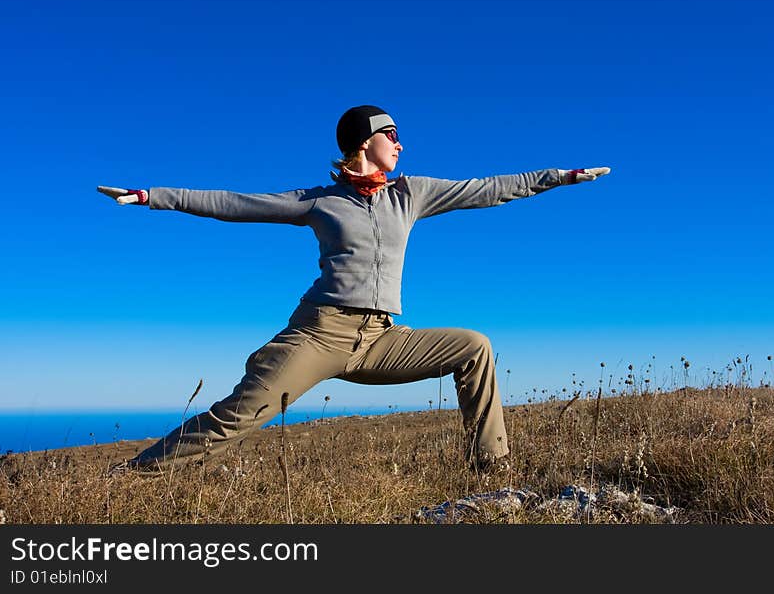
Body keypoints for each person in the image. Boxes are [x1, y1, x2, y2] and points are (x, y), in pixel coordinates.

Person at [98, 104, 611, 475]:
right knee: (239, 416)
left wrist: (559, 177)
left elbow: (487, 189)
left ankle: (493, 469)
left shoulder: (412, 194)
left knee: (474, 345)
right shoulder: (318, 201)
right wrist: (152, 196)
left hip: (382, 338)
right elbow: (236, 203)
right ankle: (131, 477)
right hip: (320, 335)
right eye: (392, 133)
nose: (401, 143)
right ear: (365, 142)